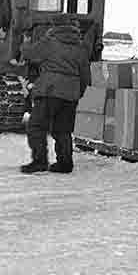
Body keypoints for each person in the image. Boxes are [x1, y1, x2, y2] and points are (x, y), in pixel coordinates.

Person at [19, 13, 90, 174]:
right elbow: (85, 75)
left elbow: (30, 54)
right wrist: (78, 92)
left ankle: (40, 162)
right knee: (63, 130)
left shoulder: (50, 42)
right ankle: (65, 164)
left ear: (55, 26)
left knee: (36, 127)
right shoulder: (80, 46)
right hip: (70, 94)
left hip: (49, 91)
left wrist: (25, 42)